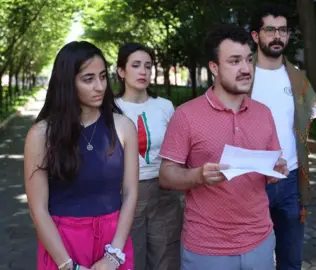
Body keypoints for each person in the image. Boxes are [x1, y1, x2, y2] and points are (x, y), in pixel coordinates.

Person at [158, 24, 289, 270]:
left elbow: (273, 164)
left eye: (249, 60)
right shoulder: (186, 115)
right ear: (214, 68)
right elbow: (166, 176)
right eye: (235, 61)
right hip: (206, 248)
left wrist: (276, 171)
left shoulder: (263, 113)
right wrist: (198, 175)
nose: (246, 69)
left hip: (259, 241)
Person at [24, 41, 138, 270]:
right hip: (62, 244)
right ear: (67, 83)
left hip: (114, 241)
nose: (100, 86)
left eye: (103, 76)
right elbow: (38, 209)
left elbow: (130, 192)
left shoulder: (123, 126)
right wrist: (68, 265)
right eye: (88, 79)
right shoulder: (41, 134)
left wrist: (114, 255)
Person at [249, 3, 316, 269]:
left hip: (290, 182)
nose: (277, 36)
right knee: (253, 258)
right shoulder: (242, 77)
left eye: (283, 30)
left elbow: (306, 127)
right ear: (256, 36)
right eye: (270, 29)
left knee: (291, 260)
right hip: (251, 180)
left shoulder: (299, 80)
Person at [115, 43, 182, 270]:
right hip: (125, 195)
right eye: (135, 65)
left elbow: (179, 150)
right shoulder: (110, 109)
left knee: (166, 260)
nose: (143, 71)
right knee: (131, 259)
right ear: (121, 71)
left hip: (165, 193)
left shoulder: (165, 106)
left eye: (148, 66)